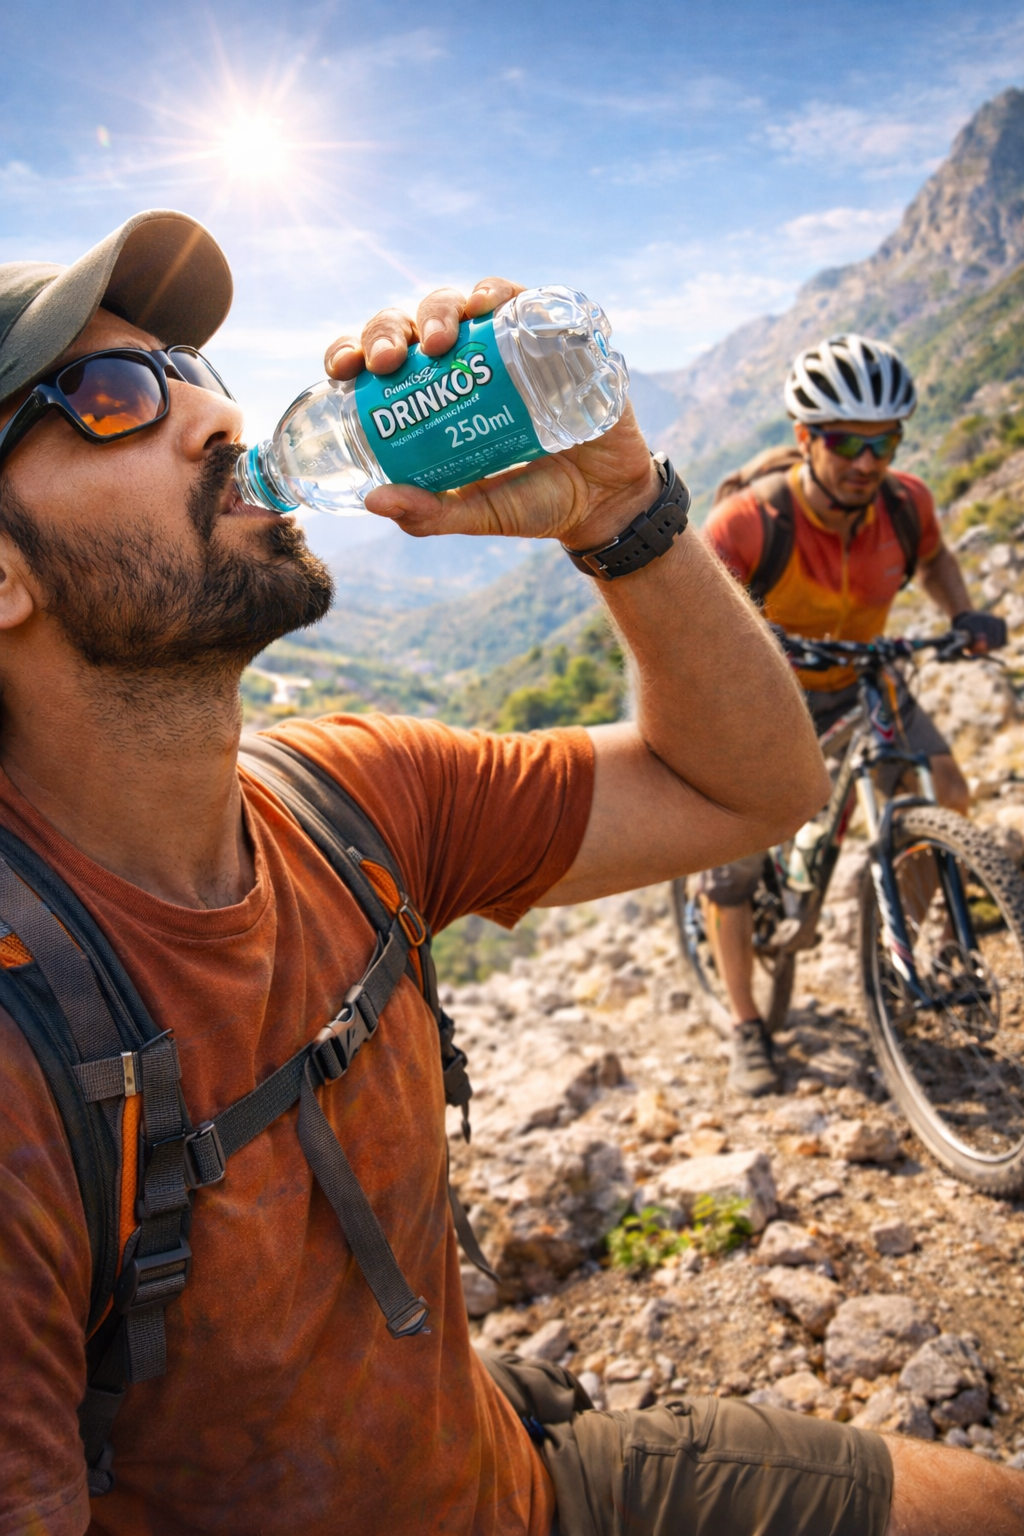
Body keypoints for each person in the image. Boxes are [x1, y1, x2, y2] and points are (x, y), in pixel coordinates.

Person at [0, 212, 1019, 1536]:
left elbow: (750, 789)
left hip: (521, 1484)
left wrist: (623, 520)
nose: (215, 418)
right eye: (113, 395)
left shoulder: (351, 793)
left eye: (193, 369)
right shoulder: (24, 1048)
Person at [701, 333, 1007, 1098]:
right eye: (847, 442)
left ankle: (893, 950)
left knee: (948, 791)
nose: (869, 461)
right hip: (769, 692)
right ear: (806, 437)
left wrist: (964, 613)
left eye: (885, 441)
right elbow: (689, 618)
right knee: (734, 860)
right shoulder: (748, 523)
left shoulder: (906, 506)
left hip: (867, 677)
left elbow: (934, 559)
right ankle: (745, 1024)